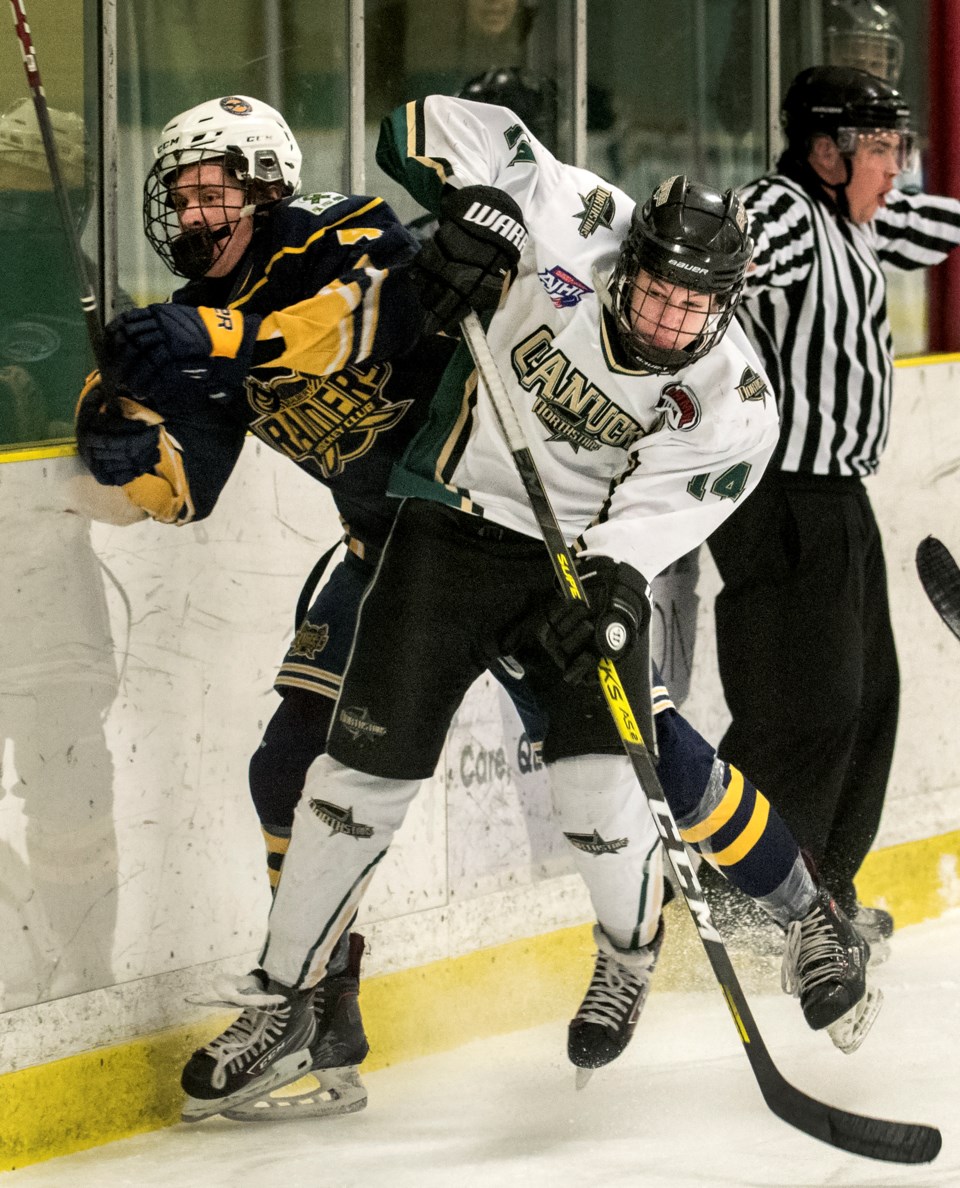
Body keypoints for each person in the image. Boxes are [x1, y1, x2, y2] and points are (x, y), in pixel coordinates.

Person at [172, 94, 883, 1124]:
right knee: (348, 785)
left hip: (580, 571)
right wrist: (485, 210)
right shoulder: (574, 214)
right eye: (653, 294)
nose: (665, 321)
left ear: (725, 308)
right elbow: (419, 124)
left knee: (607, 785)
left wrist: (611, 575)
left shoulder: (736, 401)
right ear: (626, 258)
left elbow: (663, 513)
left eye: (694, 309)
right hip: (448, 529)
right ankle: (280, 999)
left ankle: (637, 954)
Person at [74, 93, 660, 1118]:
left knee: (633, 759)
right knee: (291, 765)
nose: (193, 216)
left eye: (214, 192)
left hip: (503, 543)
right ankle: (318, 1011)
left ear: (264, 189)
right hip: (384, 563)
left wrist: (217, 335)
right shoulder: (198, 320)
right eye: (180, 197)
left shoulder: (340, 232)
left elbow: (359, 325)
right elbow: (188, 485)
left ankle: (798, 907)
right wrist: (124, 443)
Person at [706, 66, 960, 946]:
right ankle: (737, 898)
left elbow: (934, 231)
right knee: (802, 707)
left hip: (839, 500)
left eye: (900, 146)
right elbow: (724, 247)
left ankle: (822, 890)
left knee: (868, 702)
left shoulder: (855, 221)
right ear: (825, 150)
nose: (898, 167)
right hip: (779, 499)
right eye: (881, 148)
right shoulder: (785, 212)